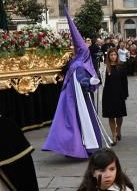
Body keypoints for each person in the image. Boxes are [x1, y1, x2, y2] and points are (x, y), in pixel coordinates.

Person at [44, 12, 105, 159]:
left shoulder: (76, 63)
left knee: (73, 123)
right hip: (79, 101)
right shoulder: (79, 65)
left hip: (73, 99)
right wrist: (90, 82)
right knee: (81, 122)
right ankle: (85, 147)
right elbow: (81, 80)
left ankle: (74, 147)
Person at [101, 48, 128, 143]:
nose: (113, 56)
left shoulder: (121, 67)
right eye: (111, 55)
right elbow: (102, 80)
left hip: (119, 93)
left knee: (119, 115)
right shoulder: (105, 67)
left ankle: (118, 130)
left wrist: (125, 94)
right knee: (111, 116)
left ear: (117, 56)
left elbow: (125, 82)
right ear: (108, 56)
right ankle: (113, 135)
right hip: (108, 94)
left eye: (114, 55)